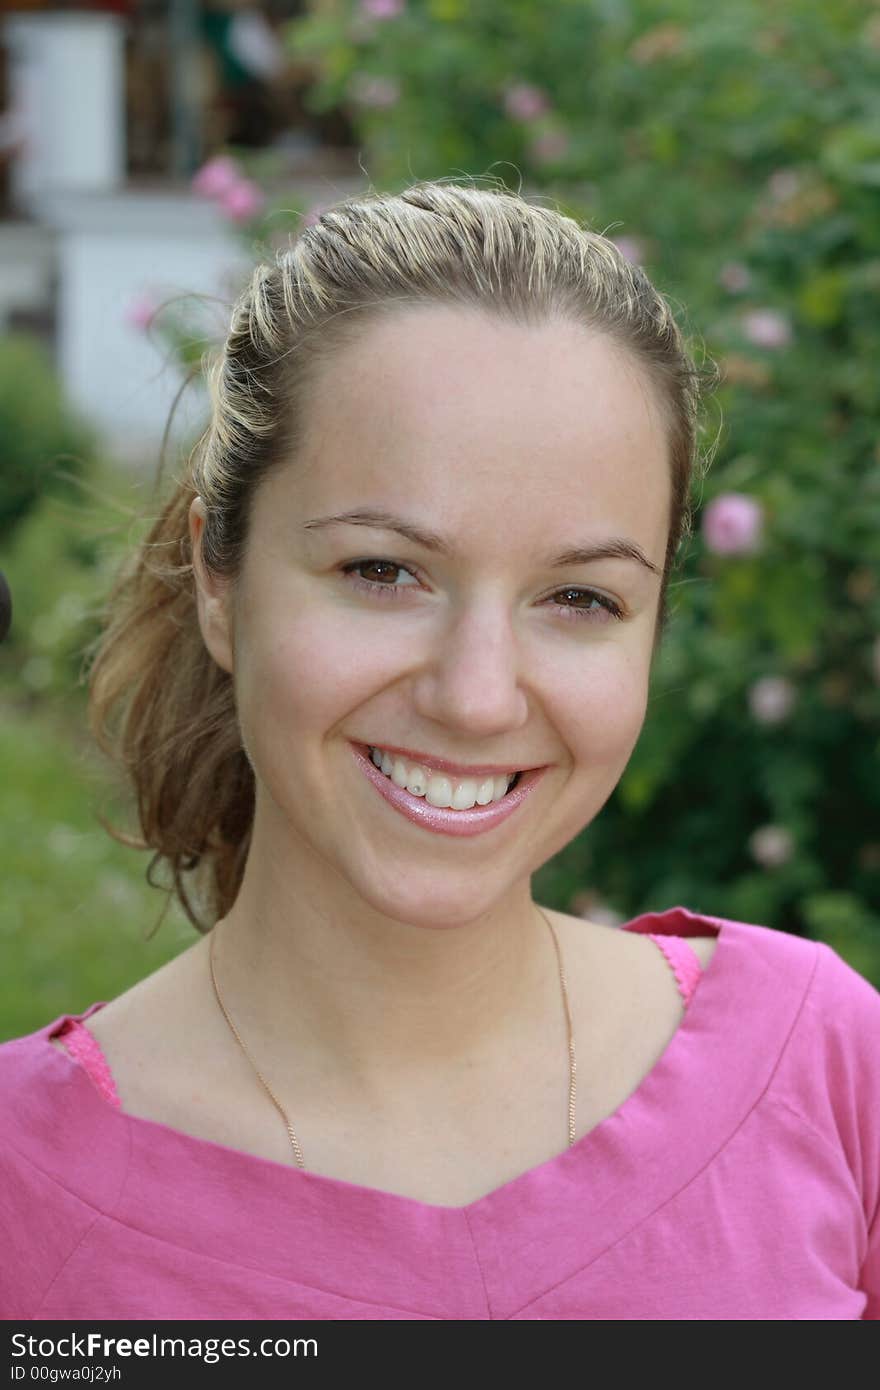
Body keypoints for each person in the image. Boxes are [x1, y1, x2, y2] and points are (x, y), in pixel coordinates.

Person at [1, 179, 878, 1321]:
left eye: (577, 596)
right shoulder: (24, 1188)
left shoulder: (821, 1063)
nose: (475, 696)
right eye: (382, 571)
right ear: (222, 584)